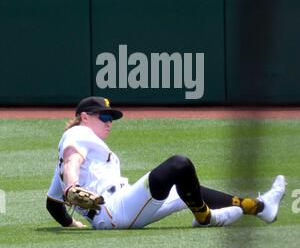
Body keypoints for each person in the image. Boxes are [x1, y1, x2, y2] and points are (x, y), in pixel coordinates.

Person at [46, 96, 286, 230]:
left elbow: (52, 204)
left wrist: (71, 223)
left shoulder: (80, 150)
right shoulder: (78, 134)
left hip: (118, 209)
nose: (110, 122)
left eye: (112, 118)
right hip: (115, 209)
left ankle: (260, 207)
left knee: (185, 191)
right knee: (177, 165)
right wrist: (72, 185)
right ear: (85, 117)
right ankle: (207, 218)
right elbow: (72, 159)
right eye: (105, 116)